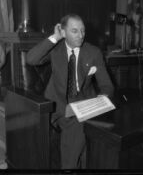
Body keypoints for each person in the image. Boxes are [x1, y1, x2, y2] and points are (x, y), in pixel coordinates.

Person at [26, 14, 114, 169]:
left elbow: (107, 86)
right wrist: (54, 37)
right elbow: (31, 59)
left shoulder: (93, 52)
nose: (80, 35)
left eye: (83, 31)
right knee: (77, 128)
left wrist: (100, 101)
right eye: (74, 31)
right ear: (63, 32)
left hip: (85, 105)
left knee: (84, 130)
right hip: (58, 105)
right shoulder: (56, 49)